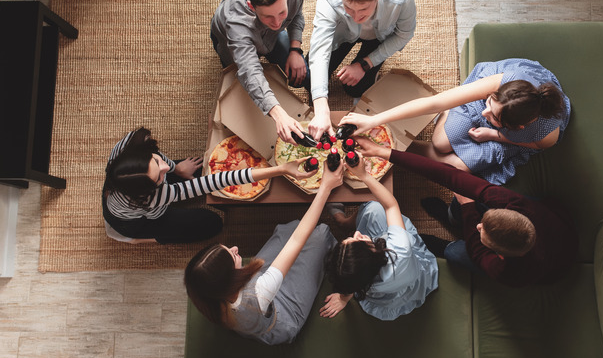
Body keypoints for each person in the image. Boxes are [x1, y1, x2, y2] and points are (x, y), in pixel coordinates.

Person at [356, 136, 578, 287]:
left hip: (550, 267)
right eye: (484, 222)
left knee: (457, 253)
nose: (479, 225)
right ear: (511, 212)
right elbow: (449, 175)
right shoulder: (514, 203)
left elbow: (476, 250)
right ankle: (453, 217)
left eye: (482, 229)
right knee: (464, 196)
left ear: (499, 254)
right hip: (553, 222)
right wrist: (383, 152)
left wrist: (470, 209)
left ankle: (447, 243)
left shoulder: (505, 270)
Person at [340, 58, 571, 185]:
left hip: (506, 138)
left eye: (492, 117)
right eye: (489, 103)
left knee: (457, 167)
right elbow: (434, 103)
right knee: (440, 144)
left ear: (518, 128)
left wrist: (495, 135)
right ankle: (463, 112)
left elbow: (535, 145)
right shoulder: (502, 84)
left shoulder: (545, 133)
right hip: (505, 112)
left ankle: (392, 149)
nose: (484, 116)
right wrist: (374, 120)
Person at [184, 162, 342, 345]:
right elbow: (297, 241)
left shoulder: (203, 290)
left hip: (252, 312)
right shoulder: (259, 292)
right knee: (320, 235)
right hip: (282, 316)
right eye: (232, 255)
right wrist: (326, 187)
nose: (235, 248)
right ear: (231, 279)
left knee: (286, 232)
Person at [103, 128, 312, 244]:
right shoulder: (151, 197)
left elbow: (162, 164)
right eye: (159, 177)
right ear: (151, 188)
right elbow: (219, 181)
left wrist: (175, 168)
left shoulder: (131, 143)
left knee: (193, 168)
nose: (165, 165)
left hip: (140, 189)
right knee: (212, 223)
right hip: (137, 219)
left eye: (156, 160)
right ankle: (142, 238)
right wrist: (282, 169)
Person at [307, 0, 417, 140]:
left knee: (354, 89)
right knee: (309, 80)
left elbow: (403, 35)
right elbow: (320, 51)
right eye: (348, 9)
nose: (356, 16)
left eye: (364, 9)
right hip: (342, 36)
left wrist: (364, 64)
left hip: (378, 38)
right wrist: (321, 109)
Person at [319, 154, 438, 321]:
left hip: (387, 288)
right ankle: (344, 222)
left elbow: (350, 278)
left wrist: (343, 298)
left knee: (372, 211)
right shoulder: (400, 249)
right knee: (374, 207)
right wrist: (363, 175)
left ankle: (343, 222)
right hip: (411, 281)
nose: (357, 233)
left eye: (352, 237)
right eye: (358, 239)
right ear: (372, 254)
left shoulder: (357, 277)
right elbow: (390, 205)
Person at [211, 0, 311, 144]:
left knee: (305, 75)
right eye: (268, 17)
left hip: (272, 38)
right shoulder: (236, 24)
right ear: (251, 7)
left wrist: (296, 50)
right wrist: (279, 115)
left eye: (282, 13)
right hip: (231, 43)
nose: (278, 23)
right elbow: (250, 71)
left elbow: (296, 17)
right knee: (241, 89)